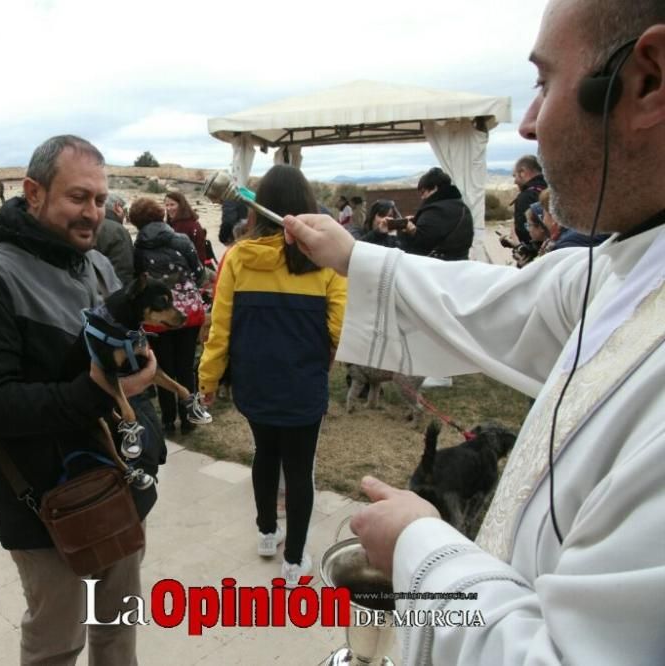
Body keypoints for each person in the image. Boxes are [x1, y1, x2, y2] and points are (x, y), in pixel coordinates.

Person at [281, 2, 665, 660]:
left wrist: (420, 544)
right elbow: (507, 299)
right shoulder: (633, 263)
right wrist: (354, 257)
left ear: (647, 80)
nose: (529, 121)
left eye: (544, 83)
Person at [0, 135, 159, 666]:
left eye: (101, 200)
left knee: (117, 630)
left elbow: (119, 364)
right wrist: (99, 391)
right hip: (48, 507)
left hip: (121, 491)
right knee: (57, 644)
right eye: (78, 198)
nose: (93, 213)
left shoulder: (99, 268)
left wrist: (142, 392)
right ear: (33, 192)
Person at [198, 165, 347, 587]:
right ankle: (294, 559)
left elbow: (219, 328)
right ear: (307, 207)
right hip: (303, 386)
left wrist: (207, 380)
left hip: (255, 385)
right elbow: (340, 327)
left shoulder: (237, 257)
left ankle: (268, 533)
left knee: (265, 454)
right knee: (299, 470)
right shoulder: (326, 262)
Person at [132, 196, 207, 435]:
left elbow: (138, 282)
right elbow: (199, 274)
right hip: (188, 310)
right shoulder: (182, 240)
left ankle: (167, 420)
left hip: (158, 316)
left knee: (163, 369)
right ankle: (189, 417)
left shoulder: (138, 248)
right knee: (186, 366)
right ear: (161, 215)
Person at [398, 167, 474, 261]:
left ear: (434, 188)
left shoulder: (435, 211)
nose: (422, 197)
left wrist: (409, 230)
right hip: (461, 263)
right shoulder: (462, 207)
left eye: (423, 192)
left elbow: (420, 246)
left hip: (438, 268)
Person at [95, 193, 135, 284]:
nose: (125, 216)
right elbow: (123, 270)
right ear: (117, 207)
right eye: (124, 211)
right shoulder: (118, 231)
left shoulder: (90, 224)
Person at [164, 190, 209, 265]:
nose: (169, 208)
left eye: (172, 205)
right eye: (167, 205)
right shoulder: (173, 224)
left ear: (181, 206)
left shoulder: (185, 226)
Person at [511, 154, 548, 244]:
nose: (514, 181)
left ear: (522, 172)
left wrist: (517, 244)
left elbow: (526, 235)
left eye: (514, 176)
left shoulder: (526, 197)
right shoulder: (552, 192)